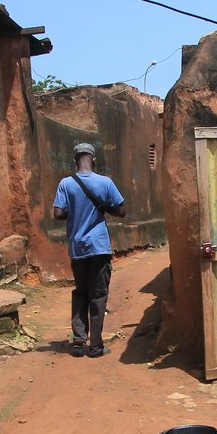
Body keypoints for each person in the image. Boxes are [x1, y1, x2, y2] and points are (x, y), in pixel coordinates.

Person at [53, 142, 125, 357]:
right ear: (93, 158)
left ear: (75, 160)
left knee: (81, 292)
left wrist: (74, 214)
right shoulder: (105, 182)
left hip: (78, 247)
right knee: (98, 294)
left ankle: (78, 342)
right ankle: (95, 346)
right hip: (100, 247)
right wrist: (103, 207)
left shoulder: (66, 183)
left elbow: (58, 213)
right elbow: (121, 211)